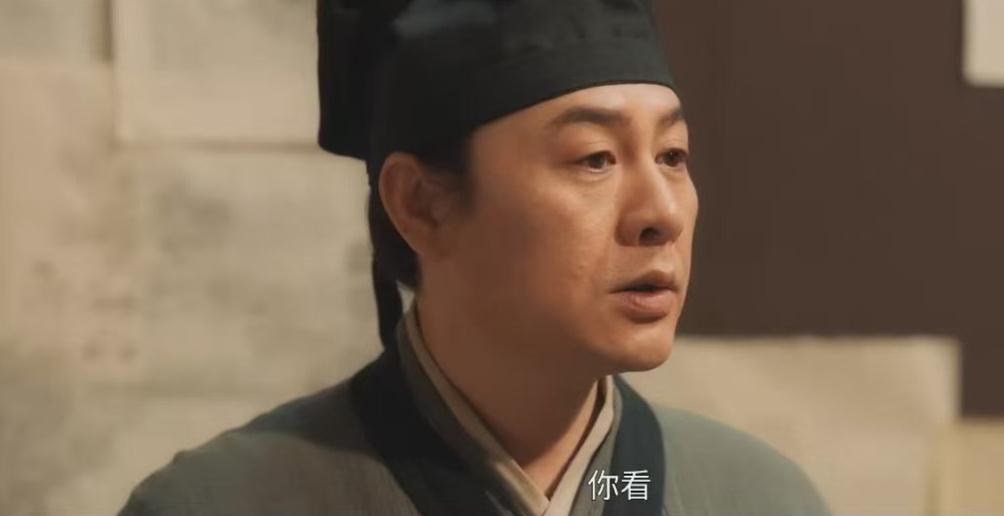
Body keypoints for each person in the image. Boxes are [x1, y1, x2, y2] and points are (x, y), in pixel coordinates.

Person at [119, 0, 832, 515]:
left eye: (673, 156)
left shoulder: (757, 498)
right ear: (422, 204)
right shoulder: (223, 502)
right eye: (594, 158)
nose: (663, 214)